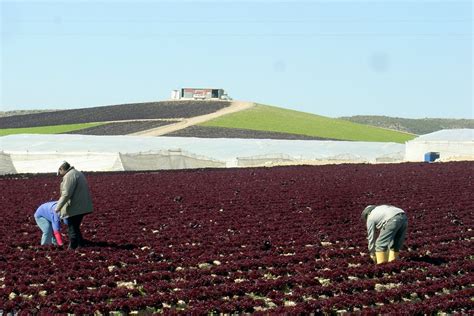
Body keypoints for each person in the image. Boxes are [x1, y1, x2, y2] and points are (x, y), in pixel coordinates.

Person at [55, 161, 94, 249]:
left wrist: (58, 208)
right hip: (82, 205)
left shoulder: (69, 176)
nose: (60, 175)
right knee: (75, 227)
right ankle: (81, 245)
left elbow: (66, 193)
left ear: (61, 169)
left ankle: (72, 247)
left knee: (72, 228)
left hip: (75, 207)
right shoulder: (77, 173)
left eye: (59, 172)